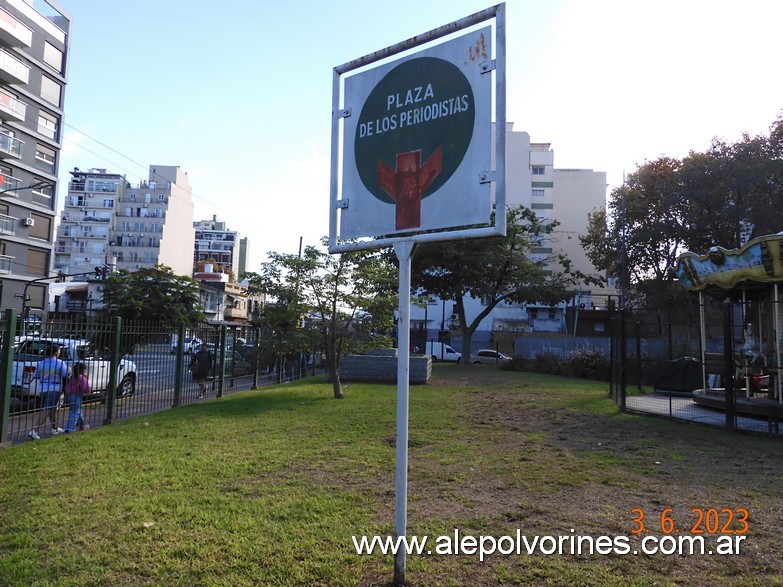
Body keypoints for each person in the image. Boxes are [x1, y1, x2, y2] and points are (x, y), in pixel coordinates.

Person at [28, 344, 70, 440]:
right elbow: (65, 374)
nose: (60, 353)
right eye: (59, 351)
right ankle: (34, 431)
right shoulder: (60, 363)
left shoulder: (41, 363)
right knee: (47, 409)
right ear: (56, 352)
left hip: (43, 389)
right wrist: (69, 370)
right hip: (54, 388)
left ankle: (54, 428)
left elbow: (37, 375)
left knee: (53, 408)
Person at [64, 362, 91, 433]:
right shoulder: (81, 377)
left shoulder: (73, 377)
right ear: (82, 370)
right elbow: (84, 388)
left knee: (78, 411)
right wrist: (89, 389)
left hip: (70, 395)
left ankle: (81, 425)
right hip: (77, 396)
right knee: (74, 412)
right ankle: (69, 428)